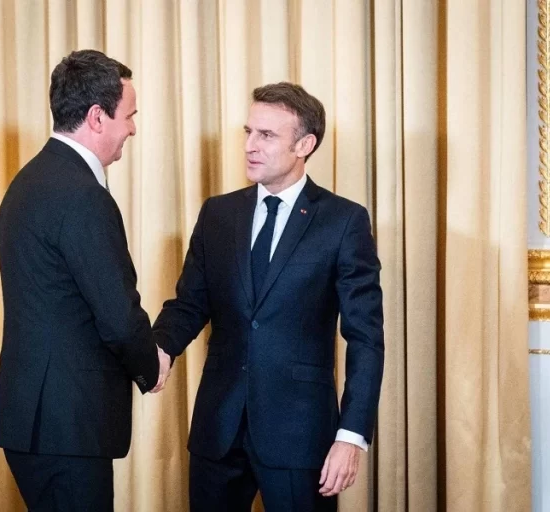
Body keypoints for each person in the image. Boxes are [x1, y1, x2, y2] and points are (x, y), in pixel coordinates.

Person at [153, 82, 384, 511]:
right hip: (217, 432)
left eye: (266, 135)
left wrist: (351, 436)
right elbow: (189, 303)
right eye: (248, 132)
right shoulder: (218, 213)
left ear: (304, 145)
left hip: (300, 435)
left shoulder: (343, 221)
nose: (249, 146)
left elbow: (365, 338)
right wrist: (161, 348)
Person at [0, 49, 170, 511]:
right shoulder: (83, 195)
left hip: (33, 420)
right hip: (67, 425)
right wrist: (150, 367)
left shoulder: (27, 182)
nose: (133, 128)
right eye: (129, 116)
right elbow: (117, 316)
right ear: (96, 117)